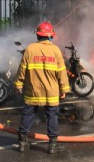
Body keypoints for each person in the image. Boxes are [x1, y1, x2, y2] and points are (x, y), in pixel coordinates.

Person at [15, 21, 70, 154]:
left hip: (33, 89)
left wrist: (18, 84)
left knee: (28, 114)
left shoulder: (30, 49)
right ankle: (53, 145)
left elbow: (22, 69)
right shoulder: (55, 50)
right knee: (52, 116)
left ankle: (22, 143)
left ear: (38, 35)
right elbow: (62, 72)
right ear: (51, 36)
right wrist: (64, 89)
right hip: (51, 91)